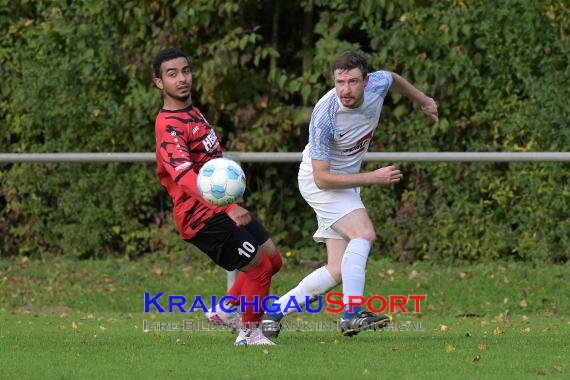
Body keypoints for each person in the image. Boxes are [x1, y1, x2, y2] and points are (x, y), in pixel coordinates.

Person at [262, 49, 438, 338]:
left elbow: (393, 78)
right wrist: (374, 177)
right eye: (340, 82)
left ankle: (274, 314)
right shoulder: (324, 116)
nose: (346, 89)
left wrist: (423, 100)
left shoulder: (377, 85)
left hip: (344, 183)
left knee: (337, 269)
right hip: (320, 182)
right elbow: (322, 178)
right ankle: (352, 314)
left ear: (366, 81)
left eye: (353, 82)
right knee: (364, 233)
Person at [152, 48, 282, 346]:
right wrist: (228, 205)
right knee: (259, 267)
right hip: (199, 216)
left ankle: (225, 311)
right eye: (172, 74)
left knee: (273, 260)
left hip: (220, 208)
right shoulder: (168, 125)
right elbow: (184, 177)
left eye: (185, 71)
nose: (182, 79)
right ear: (159, 82)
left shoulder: (192, 111)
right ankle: (249, 334)